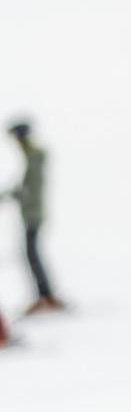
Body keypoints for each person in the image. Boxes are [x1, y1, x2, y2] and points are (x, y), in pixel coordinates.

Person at [4, 120, 65, 314]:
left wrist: (17, 195)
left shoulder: (35, 157)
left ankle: (45, 296)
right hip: (31, 213)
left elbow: (31, 189)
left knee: (32, 255)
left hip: (33, 214)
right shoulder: (32, 157)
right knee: (31, 255)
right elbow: (26, 188)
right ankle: (44, 295)